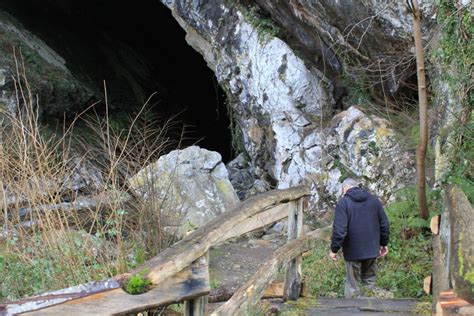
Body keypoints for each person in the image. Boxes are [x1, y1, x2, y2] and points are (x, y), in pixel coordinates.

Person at [329, 178, 390, 298]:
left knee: (352, 285)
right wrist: (383, 243)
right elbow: (384, 224)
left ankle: (351, 311)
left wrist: (334, 249)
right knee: (369, 281)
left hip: (353, 251)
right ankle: (369, 309)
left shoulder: (344, 203)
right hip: (372, 249)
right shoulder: (374, 200)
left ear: (344, 188)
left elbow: (340, 230)